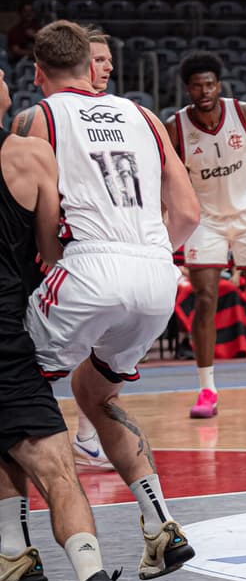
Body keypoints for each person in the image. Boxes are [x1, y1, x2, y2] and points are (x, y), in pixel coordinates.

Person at [8, 20, 201, 581]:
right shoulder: (144, 116)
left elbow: (33, 220)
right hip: (157, 272)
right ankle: (160, 524)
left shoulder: (36, 118)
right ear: (91, 66)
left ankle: (13, 552)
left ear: (37, 72)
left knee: (12, 392)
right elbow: (188, 213)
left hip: (87, 266)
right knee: (96, 393)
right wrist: (149, 256)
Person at [166, 52, 246, 417]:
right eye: (197, 86)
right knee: (205, 299)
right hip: (205, 220)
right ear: (188, 89)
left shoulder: (245, 112)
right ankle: (207, 389)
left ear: (219, 85)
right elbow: (170, 177)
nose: (204, 91)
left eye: (210, 84)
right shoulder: (176, 126)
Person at [71, 29, 117, 469]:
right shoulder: (60, 114)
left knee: (104, 345)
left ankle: (87, 436)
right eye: (99, 59)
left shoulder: (118, 114)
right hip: (75, 244)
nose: (108, 67)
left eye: (108, 60)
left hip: (115, 243)